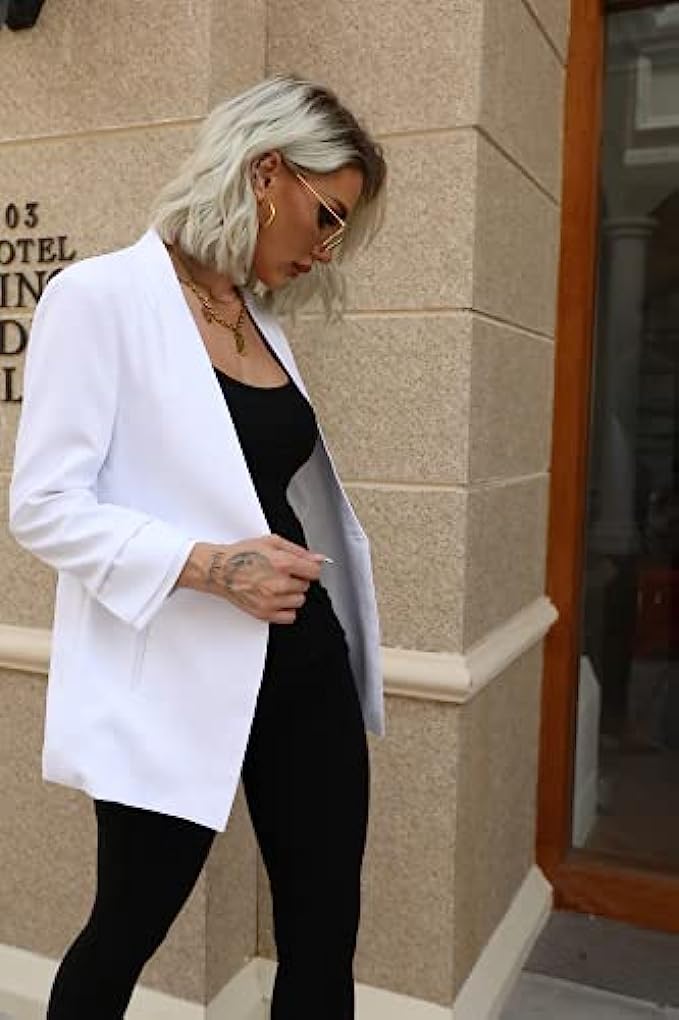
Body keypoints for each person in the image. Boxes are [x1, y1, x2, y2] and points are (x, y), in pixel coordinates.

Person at [9, 75, 387, 1020]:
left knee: (322, 935)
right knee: (124, 932)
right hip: (174, 676)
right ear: (266, 172)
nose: (328, 247)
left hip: (304, 663)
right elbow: (43, 505)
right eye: (328, 215)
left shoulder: (257, 318)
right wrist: (214, 567)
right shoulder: (99, 298)